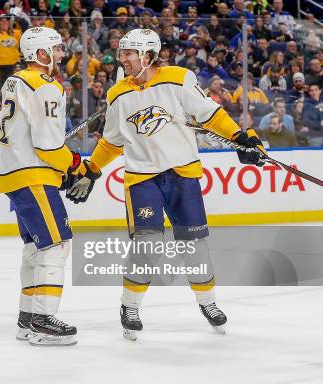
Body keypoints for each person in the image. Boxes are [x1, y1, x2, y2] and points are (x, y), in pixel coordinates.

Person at [65, 29, 268, 340]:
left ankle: (208, 302)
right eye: (123, 53)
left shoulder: (179, 78)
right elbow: (113, 140)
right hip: (142, 179)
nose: (123, 59)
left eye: (129, 53)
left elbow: (210, 115)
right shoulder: (117, 93)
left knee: (195, 247)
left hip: (183, 176)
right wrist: (92, 168)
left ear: (148, 56)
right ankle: (129, 306)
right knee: (147, 244)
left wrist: (241, 137)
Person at [0, 27, 84, 346]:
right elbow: (47, 147)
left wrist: (19, 146)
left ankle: (28, 318)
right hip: (34, 176)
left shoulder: (14, 81)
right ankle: (43, 321)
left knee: (35, 247)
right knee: (57, 244)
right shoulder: (46, 86)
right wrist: (74, 163)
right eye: (56, 50)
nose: (61, 55)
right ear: (41, 54)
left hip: (16, 176)